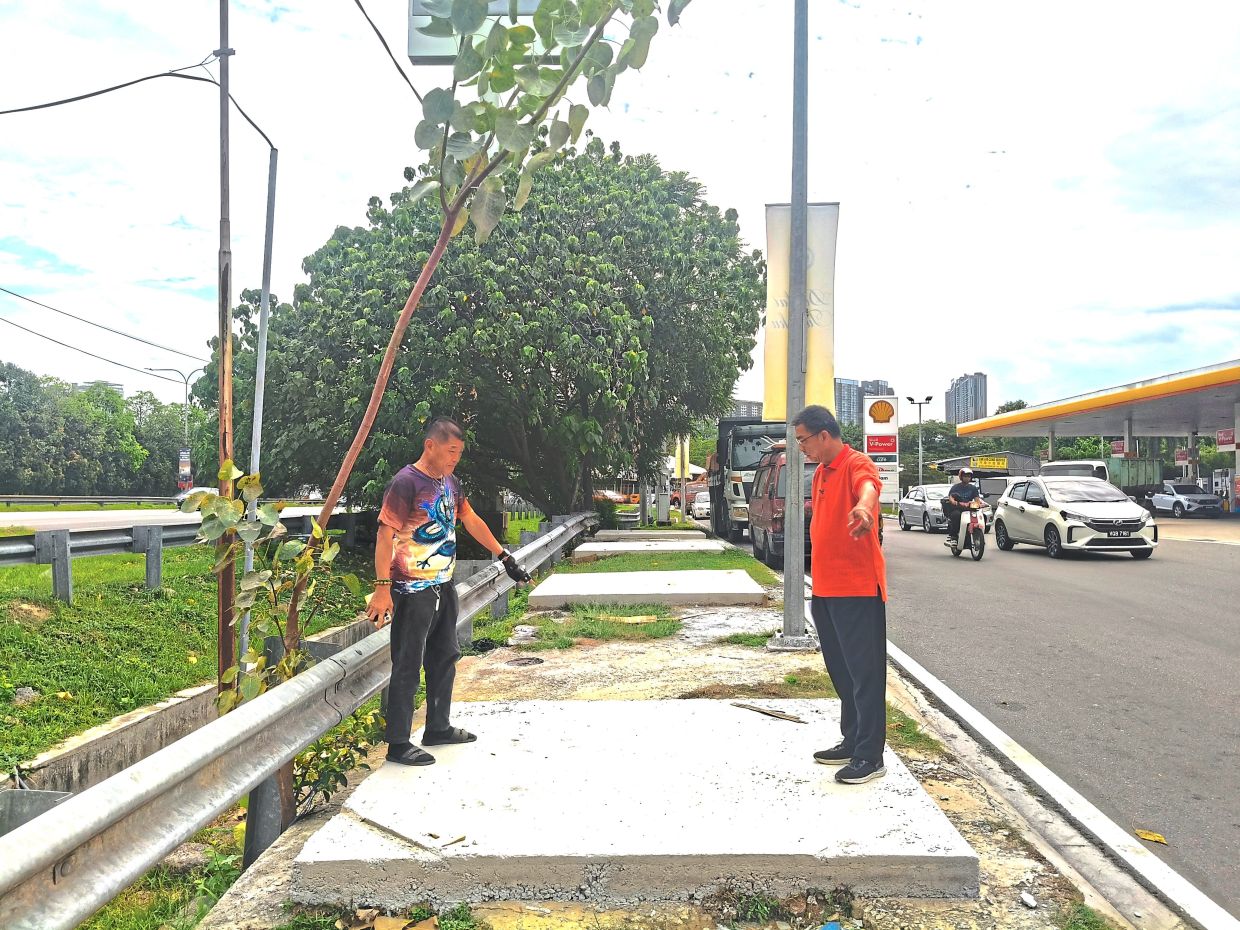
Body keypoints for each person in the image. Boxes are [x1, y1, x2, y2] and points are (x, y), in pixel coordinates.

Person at [365, 416, 531, 766]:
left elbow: (470, 519)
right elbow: (384, 535)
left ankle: (438, 727)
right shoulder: (405, 482)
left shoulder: (451, 482)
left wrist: (504, 556)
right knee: (408, 664)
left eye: (459, 453)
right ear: (431, 445)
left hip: (443, 584)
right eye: (451, 451)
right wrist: (382, 588)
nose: (455, 458)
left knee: (445, 656)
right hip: (411, 589)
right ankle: (397, 743)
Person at [793, 405, 888, 785]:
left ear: (824, 435)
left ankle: (870, 755)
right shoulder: (819, 473)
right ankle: (851, 739)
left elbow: (869, 487)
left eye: (803, 440)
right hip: (827, 589)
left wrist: (865, 507)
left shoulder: (855, 463)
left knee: (865, 673)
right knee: (843, 671)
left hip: (858, 588)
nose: (801, 447)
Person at [944, 467, 983, 543]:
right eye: (965, 476)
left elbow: (977, 500)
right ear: (961, 477)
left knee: (979, 516)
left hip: (969, 508)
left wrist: (979, 504)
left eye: (969, 476)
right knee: (956, 516)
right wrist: (954, 502)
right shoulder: (955, 487)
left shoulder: (973, 488)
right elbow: (951, 497)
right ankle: (954, 536)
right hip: (957, 508)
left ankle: (978, 536)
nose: (967, 478)